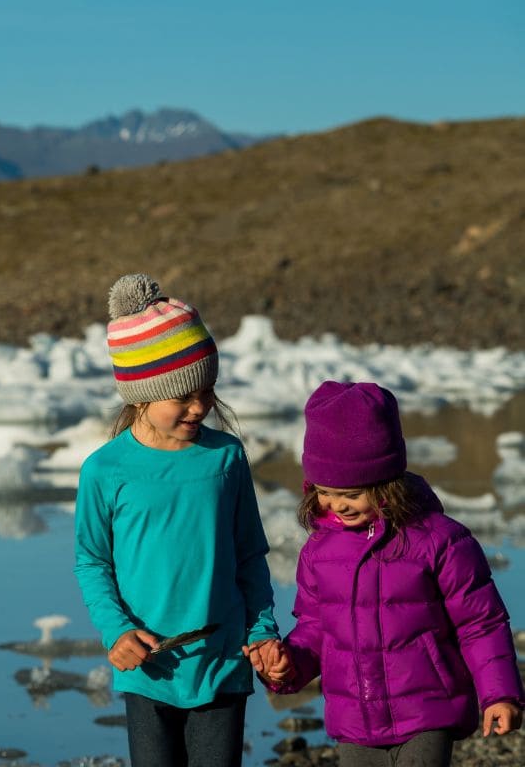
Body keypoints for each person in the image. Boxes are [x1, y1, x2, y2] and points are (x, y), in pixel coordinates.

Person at [256, 380, 524, 766]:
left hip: (426, 712)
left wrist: (499, 693)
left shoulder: (439, 541)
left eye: (352, 494)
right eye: (325, 492)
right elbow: (316, 628)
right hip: (353, 719)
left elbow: (479, 624)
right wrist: (288, 665)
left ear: (387, 482)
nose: (338, 505)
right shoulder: (318, 553)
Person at [74, 273, 281, 767]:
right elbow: (92, 562)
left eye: (207, 390)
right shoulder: (105, 470)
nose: (199, 406)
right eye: (183, 396)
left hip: (222, 662)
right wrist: (116, 632)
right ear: (142, 394)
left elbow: (250, 556)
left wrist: (262, 631)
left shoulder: (225, 458)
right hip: (148, 668)